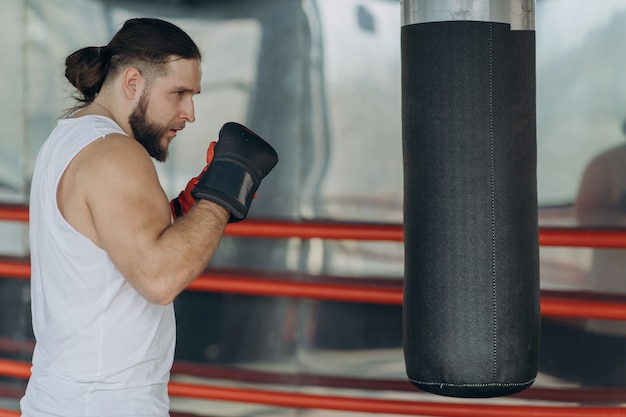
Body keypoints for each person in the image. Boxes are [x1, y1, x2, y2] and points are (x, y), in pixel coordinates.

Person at [20, 17, 277, 416]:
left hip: (69, 396)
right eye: (179, 93)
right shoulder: (114, 153)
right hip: (105, 402)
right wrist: (223, 192)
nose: (189, 112)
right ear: (133, 82)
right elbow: (159, 279)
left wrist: (185, 211)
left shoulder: (68, 139)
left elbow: (111, 241)